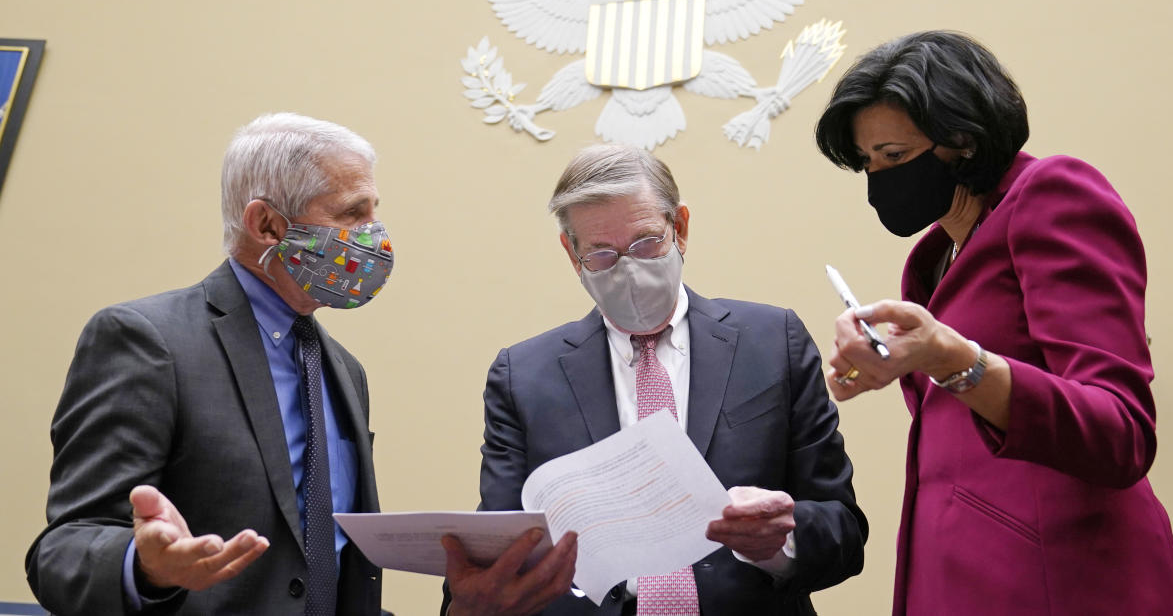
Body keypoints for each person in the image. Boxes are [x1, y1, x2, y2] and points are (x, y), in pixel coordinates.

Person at [813, 30, 1173, 615]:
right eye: (867, 163)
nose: (878, 180)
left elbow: (1121, 433)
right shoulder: (934, 261)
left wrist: (955, 359)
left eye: (894, 157)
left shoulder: (1053, 196)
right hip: (953, 581)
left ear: (963, 140)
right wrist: (896, 357)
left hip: (1060, 583)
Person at [443, 143, 867, 616]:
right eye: (602, 255)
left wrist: (781, 539)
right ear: (571, 252)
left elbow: (844, 530)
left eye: (646, 243)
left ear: (679, 228)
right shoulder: (522, 376)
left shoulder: (773, 342)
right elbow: (498, 551)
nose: (629, 269)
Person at [27, 113, 396, 615]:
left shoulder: (344, 370)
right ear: (267, 224)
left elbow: (327, 565)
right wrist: (146, 567)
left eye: (373, 212)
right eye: (352, 213)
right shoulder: (146, 339)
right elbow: (64, 550)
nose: (373, 235)